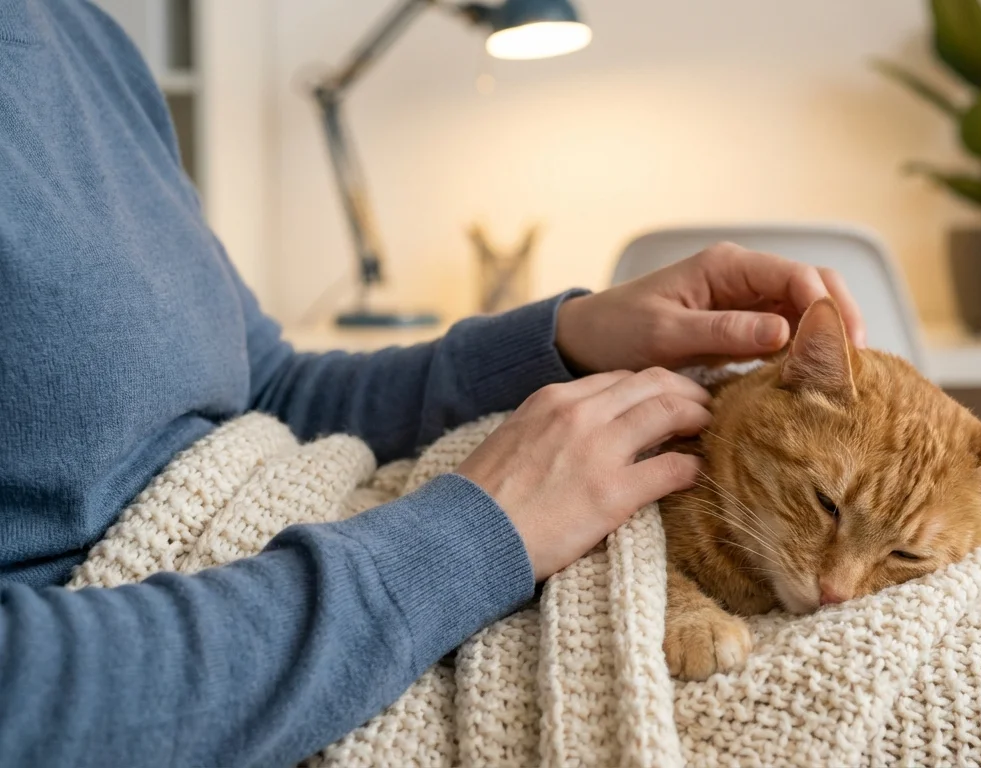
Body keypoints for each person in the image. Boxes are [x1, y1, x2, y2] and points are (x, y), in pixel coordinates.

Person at [0, 1, 866, 765]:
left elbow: (267, 388)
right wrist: (469, 541)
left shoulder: (86, 39)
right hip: (278, 633)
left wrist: (568, 338)